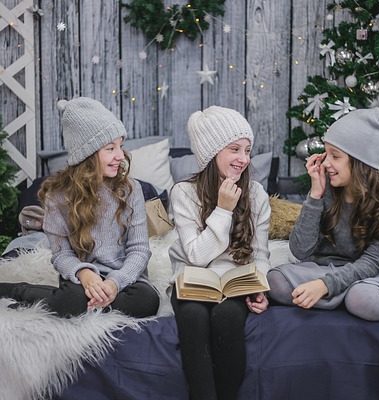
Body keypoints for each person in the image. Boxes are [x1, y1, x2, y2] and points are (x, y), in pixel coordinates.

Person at [268, 92, 379, 338]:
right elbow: (300, 251)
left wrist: (326, 286)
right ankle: (342, 298)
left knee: (360, 298)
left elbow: (372, 262)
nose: (326, 163)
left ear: (359, 161)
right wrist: (314, 195)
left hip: (370, 275)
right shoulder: (326, 191)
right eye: (326, 154)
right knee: (275, 281)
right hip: (325, 268)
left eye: (336, 156)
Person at [0, 97, 160, 318]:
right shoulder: (59, 196)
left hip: (124, 278)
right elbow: (61, 254)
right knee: (72, 300)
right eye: (110, 148)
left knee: (147, 302)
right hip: (82, 279)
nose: (120, 156)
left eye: (120, 146)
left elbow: (139, 250)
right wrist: (84, 273)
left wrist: (114, 283)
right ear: (88, 154)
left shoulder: (130, 189)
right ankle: (20, 290)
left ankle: (79, 304)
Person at [169, 106, 271, 400]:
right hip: (193, 280)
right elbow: (196, 256)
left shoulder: (257, 194)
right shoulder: (183, 193)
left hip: (234, 282)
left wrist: (260, 286)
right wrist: (223, 209)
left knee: (227, 318)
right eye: (234, 149)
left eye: (248, 150)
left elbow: (261, 255)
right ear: (211, 153)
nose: (244, 159)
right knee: (192, 317)